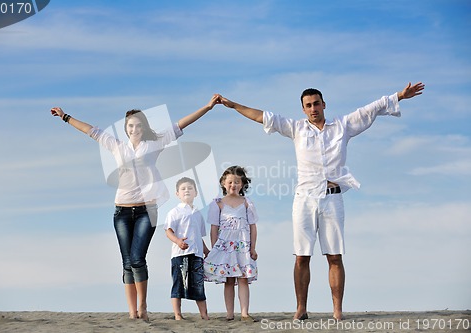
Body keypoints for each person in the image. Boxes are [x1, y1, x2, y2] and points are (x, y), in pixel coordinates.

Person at [219, 82, 425, 321]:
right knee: (301, 256)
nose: (313, 108)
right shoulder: (296, 128)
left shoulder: (342, 126)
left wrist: (399, 95)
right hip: (304, 199)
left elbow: (371, 109)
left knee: (335, 256)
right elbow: (262, 116)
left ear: (323, 104)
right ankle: (301, 308)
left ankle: (337, 311)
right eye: (308, 105)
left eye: (316, 103)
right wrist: (233, 105)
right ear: (303, 109)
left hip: (332, 198)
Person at [50, 94, 221, 321]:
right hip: (121, 210)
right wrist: (65, 117)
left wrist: (207, 108)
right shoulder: (117, 146)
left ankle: (143, 306)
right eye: (130, 125)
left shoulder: (155, 143)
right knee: (127, 262)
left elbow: (181, 123)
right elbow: (90, 130)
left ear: (144, 127)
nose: (134, 128)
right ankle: (132, 312)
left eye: (138, 125)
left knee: (138, 258)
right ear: (126, 128)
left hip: (147, 210)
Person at [203, 165, 259, 322]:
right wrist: (215, 249)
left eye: (236, 182)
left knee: (242, 278)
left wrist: (253, 248)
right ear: (223, 183)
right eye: (230, 182)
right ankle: (229, 313)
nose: (233, 185)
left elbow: (253, 227)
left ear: (242, 185)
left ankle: (244, 313)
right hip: (225, 248)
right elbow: (214, 229)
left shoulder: (247, 203)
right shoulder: (218, 203)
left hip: (243, 247)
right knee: (228, 279)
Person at [164, 177, 210, 320]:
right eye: (183, 188)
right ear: (177, 193)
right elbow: (168, 231)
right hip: (180, 254)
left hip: (196, 255)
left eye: (190, 188)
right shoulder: (175, 212)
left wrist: (206, 251)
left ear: (196, 193)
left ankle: (204, 315)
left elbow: (198, 236)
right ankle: (178, 315)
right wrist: (177, 241)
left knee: (198, 284)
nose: (187, 191)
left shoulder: (198, 213)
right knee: (179, 283)